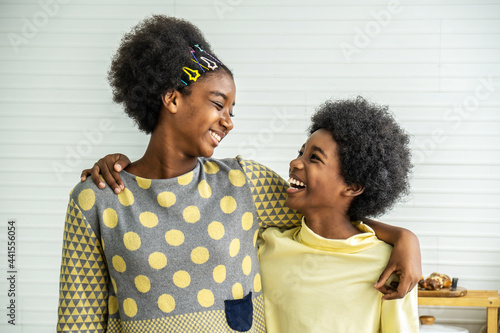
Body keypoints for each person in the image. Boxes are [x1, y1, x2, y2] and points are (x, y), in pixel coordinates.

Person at [59, 15, 421, 333]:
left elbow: (330, 212)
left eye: (232, 109)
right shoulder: (97, 199)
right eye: (219, 104)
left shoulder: (245, 182)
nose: (228, 121)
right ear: (172, 99)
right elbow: (79, 321)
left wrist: (405, 238)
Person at [259, 97, 419, 332]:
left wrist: (405, 238)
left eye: (314, 158)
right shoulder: (267, 245)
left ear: (352, 186)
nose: (295, 162)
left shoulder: (390, 268)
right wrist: (405, 236)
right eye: (301, 153)